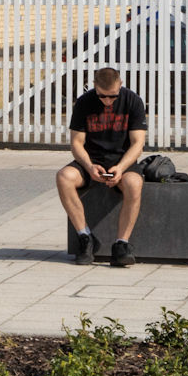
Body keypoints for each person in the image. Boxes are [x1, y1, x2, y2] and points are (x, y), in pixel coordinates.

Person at [55, 68, 148, 267]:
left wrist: (121, 168)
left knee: (134, 183)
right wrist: (89, 166)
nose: (107, 101)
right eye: (102, 96)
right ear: (95, 87)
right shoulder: (84, 102)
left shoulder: (133, 101)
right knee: (64, 177)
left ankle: (122, 244)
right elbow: (76, 143)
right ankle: (85, 238)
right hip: (91, 160)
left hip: (122, 161)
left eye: (112, 96)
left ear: (120, 84)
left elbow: (137, 143)